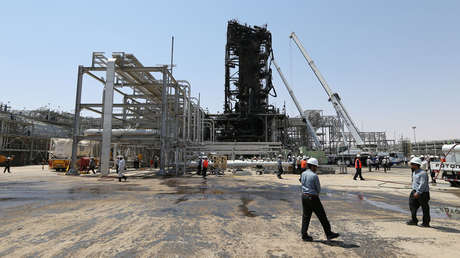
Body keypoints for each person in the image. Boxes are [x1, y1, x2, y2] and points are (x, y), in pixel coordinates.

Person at [300, 157, 340, 241]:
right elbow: (318, 188)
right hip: (313, 197)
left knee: (306, 216)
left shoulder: (303, 173)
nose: (316, 168)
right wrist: (315, 194)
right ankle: (328, 233)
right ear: (312, 166)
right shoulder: (314, 176)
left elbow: (301, 181)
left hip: (304, 196)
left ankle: (304, 234)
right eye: (315, 166)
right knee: (322, 216)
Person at [406, 157, 430, 227]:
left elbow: (423, 184)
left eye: (412, 164)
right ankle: (414, 220)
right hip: (414, 191)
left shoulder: (423, 173)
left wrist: (418, 192)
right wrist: (414, 191)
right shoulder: (414, 172)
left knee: (425, 208)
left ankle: (426, 223)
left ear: (416, 165)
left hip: (422, 193)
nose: (410, 165)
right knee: (412, 206)